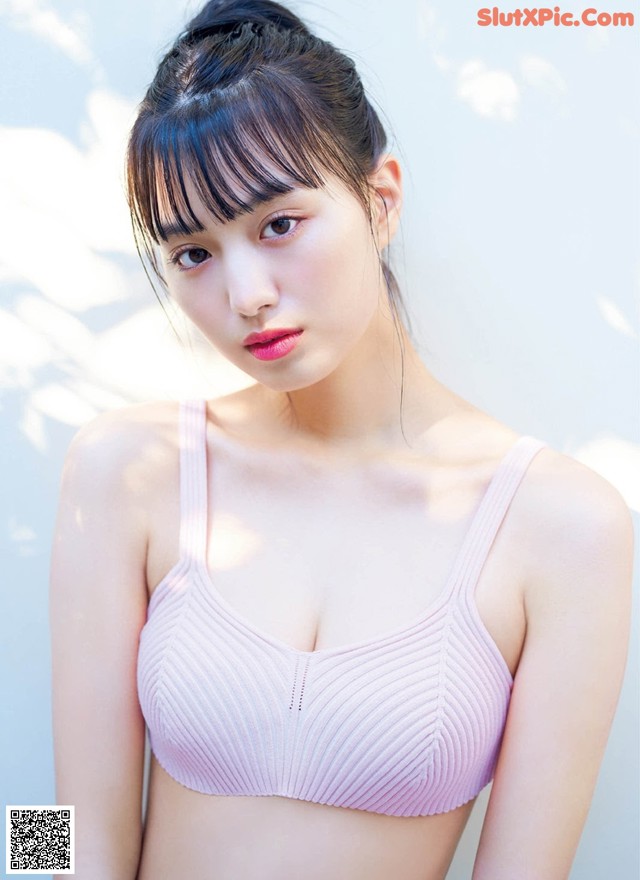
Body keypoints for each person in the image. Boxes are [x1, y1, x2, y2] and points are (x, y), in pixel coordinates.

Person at [49, 1, 634, 878]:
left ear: (381, 198)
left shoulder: (563, 527)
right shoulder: (124, 470)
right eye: (193, 254)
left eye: (278, 224)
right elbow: (58, 825)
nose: (244, 294)